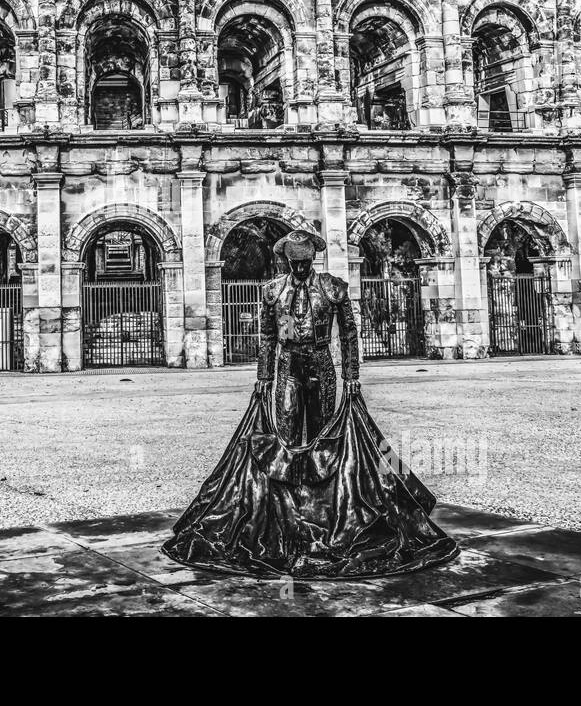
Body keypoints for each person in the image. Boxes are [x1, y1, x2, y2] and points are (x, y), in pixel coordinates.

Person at [162, 228, 459, 579]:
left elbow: (349, 334)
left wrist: (352, 377)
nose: (300, 268)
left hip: (320, 363)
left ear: (313, 259)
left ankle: (321, 511)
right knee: (284, 438)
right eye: (294, 262)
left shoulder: (332, 287)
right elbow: (269, 338)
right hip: (288, 364)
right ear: (286, 260)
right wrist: (264, 378)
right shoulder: (274, 290)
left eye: (305, 262)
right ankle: (283, 514)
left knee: (323, 439)